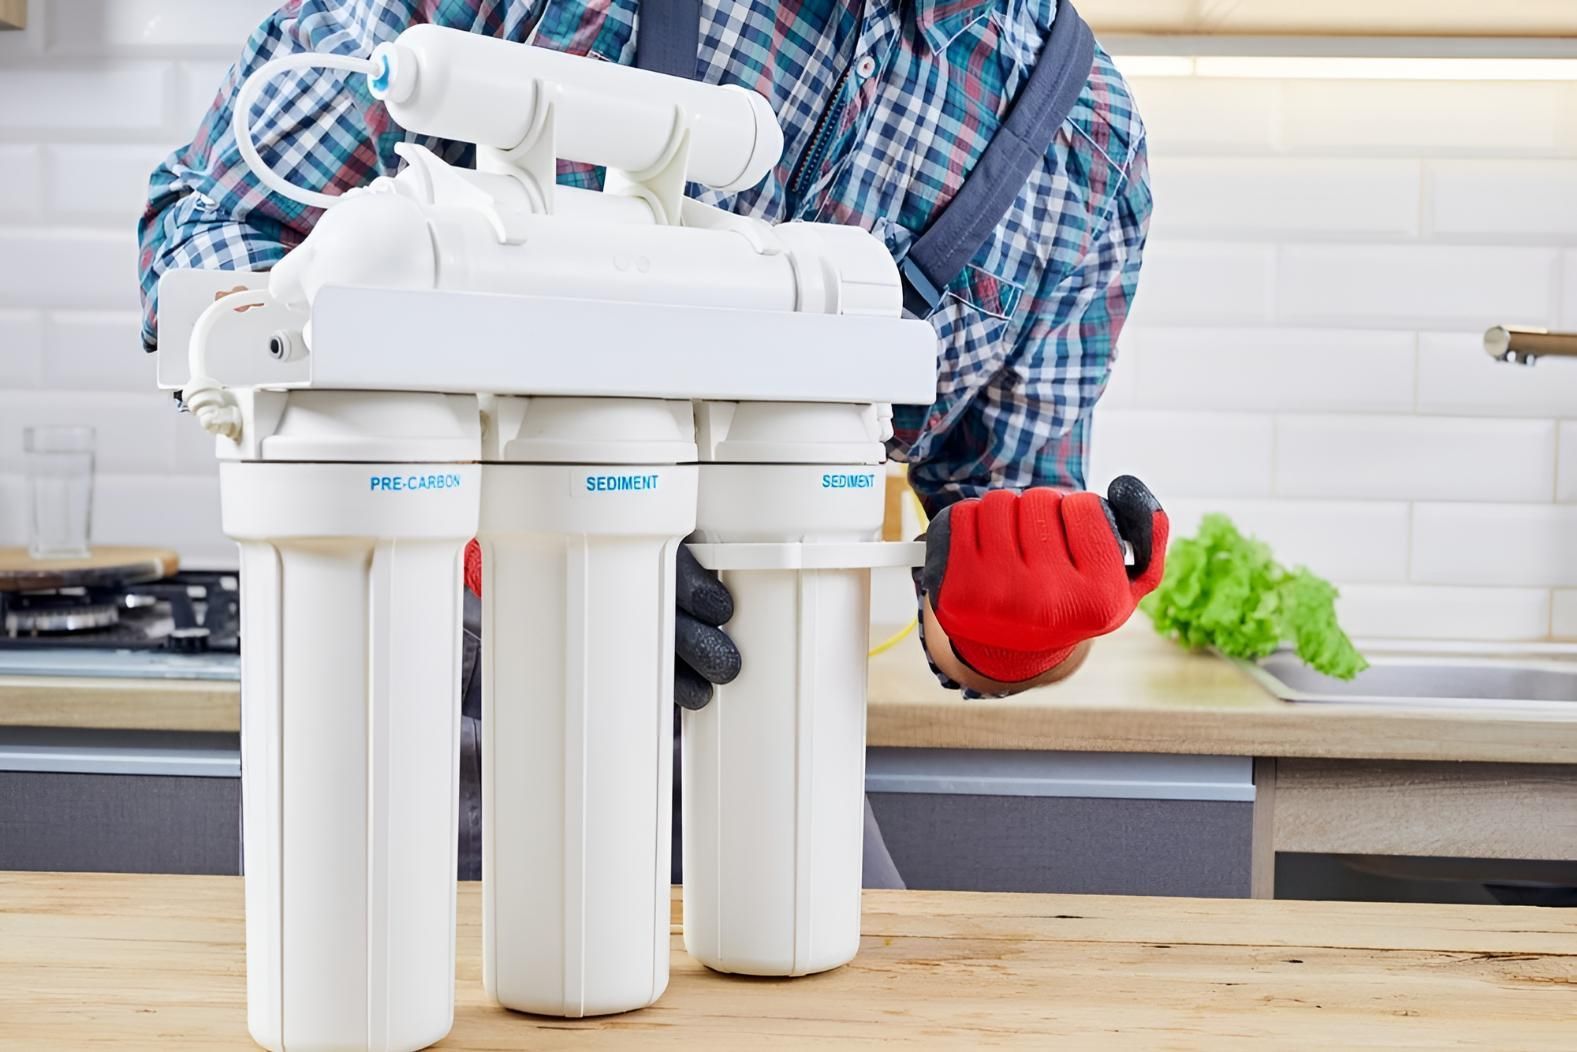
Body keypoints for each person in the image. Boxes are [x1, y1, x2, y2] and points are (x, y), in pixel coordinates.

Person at [138, 0, 1168, 886]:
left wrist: (1018, 628)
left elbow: (987, 574)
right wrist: (493, 530)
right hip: (433, 664)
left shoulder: (1083, 135)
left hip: (772, 714)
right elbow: (212, 239)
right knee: (387, 985)